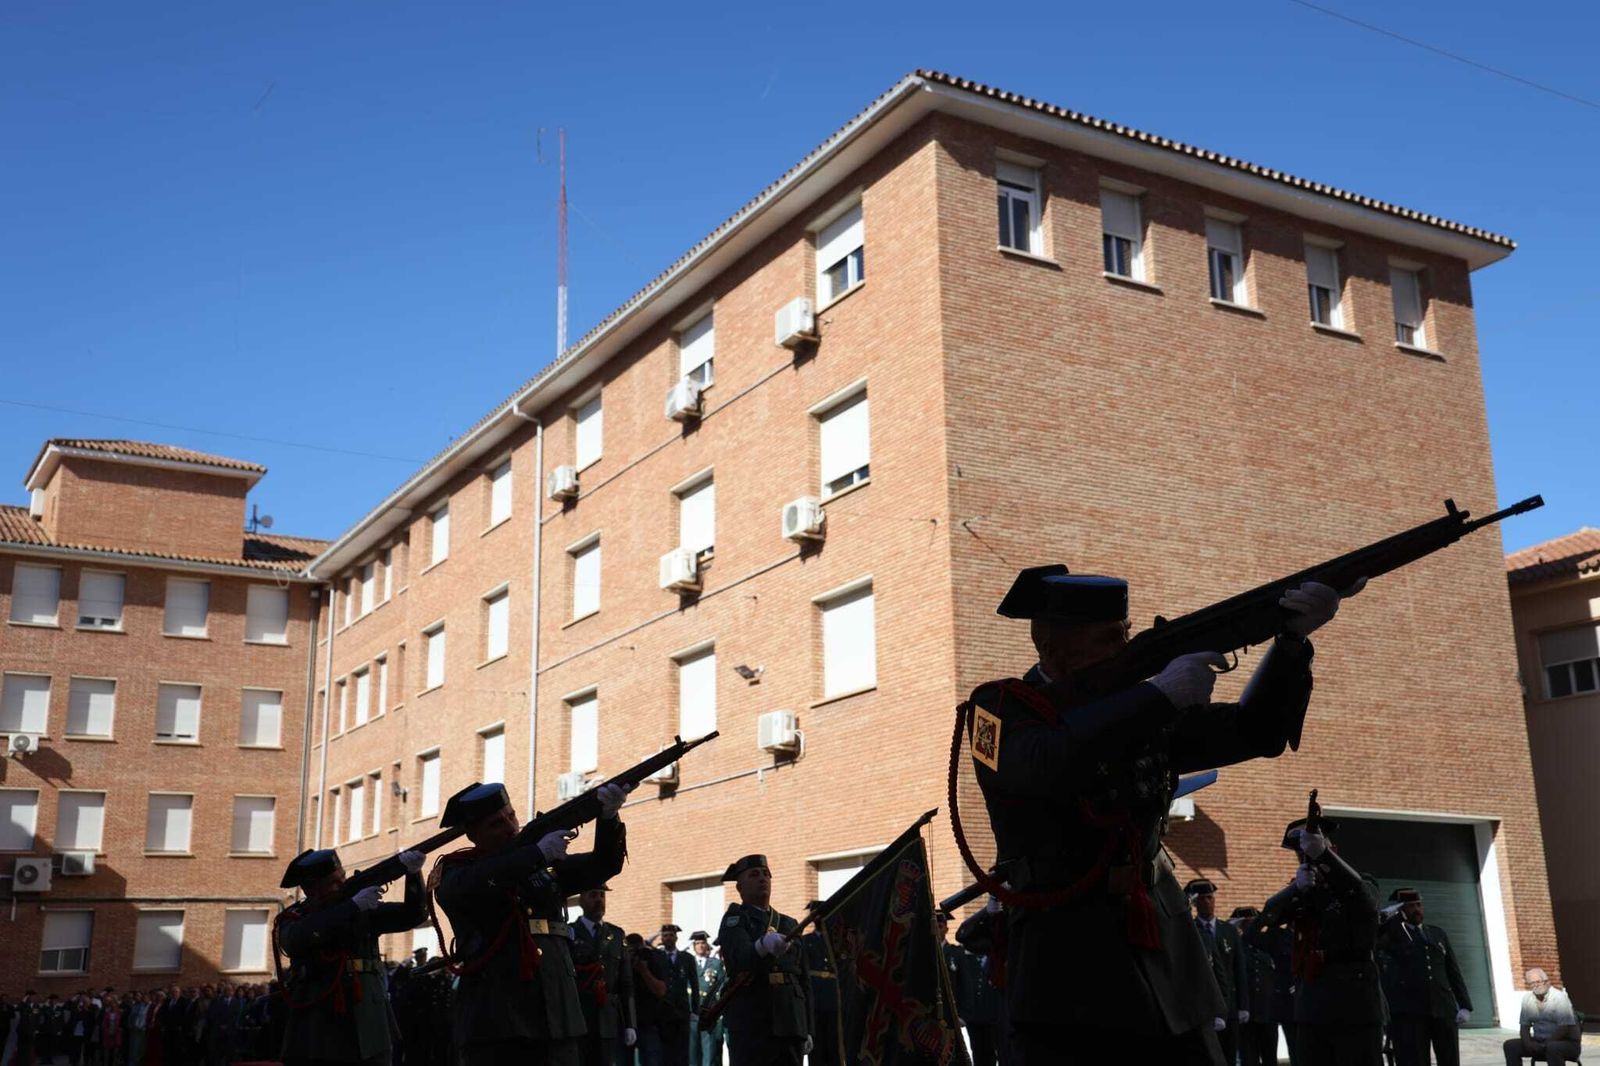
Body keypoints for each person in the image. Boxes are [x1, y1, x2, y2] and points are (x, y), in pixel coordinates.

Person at [967, 565, 1355, 1064]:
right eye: (1109, 638)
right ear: (1052, 647)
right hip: (1066, 962)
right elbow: (1040, 767)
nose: (1124, 648)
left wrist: (1290, 644)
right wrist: (1157, 696)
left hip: (1164, 952)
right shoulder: (999, 707)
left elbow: (1255, 732)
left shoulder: (1141, 710)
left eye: (1127, 634)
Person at [432, 779, 631, 1066]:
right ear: (473, 834)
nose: (511, 827)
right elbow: (476, 883)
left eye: (511, 816)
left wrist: (609, 816)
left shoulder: (538, 863)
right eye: (496, 823)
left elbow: (603, 866)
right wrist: (536, 853)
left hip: (557, 1008)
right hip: (499, 1017)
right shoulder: (456, 872)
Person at [275, 845, 427, 1066]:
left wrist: (413, 874)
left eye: (343, 877)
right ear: (311, 889)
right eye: (334, 883)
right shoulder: (295, 917)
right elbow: (296, 939)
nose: (343, 885)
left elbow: (413, 915)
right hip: (321, 1026)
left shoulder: (361, 910)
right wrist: (352, 907)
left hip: (369, 1017)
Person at [1258, 814, 1383, 1066]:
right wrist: (1294, 889)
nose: (1308, 859)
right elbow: (1269, 917)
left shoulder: (1360, 883)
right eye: (1302, 855)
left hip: (1354, 1004)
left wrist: (1324, 857)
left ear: (1333, 849)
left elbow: (1366, 904)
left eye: (1311, 851)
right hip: (1312, 1005)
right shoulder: (1304, 893)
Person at [714, 855, 812, 1066]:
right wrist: (761, 946)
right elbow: (740, 958)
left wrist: (808, 1027)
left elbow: (803, 978)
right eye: (754, 874)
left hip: (790, 1020)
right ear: (739, 887)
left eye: (766, 874)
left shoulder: (789, 923)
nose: (762, 878)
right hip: (752, 1021)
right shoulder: (735, 919)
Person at [1378, 888, 1472, 1066]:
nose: (1417, 910)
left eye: (1419, 905)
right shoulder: (1392, 935)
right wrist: (1389, 916)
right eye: (1410, 906)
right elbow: (1375, 937)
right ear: (1401, 910)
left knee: (1449, 1059)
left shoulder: (1437, 933)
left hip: (1443, 1008)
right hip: (1410, 1012)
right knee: (1415, 1060)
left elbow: (1452, 971)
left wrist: (1465, 1005)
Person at [568, 885, 637, 1066]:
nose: (599, 900)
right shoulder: (569, 932)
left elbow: (626, 982)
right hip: (579, 1015)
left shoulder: (616, 934)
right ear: (581, 900)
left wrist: (630, 1023)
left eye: (602, 895)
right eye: (593, 895)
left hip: (608, 1018)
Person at [1185, 878, 1249, 1062]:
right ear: (1195, 903)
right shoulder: (1191, 930)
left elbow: (1239, 968)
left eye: (1210, 898)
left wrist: (1244, 1005)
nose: (1208, 902)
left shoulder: (1228, 930)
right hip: (1204, 1005)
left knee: (1230, 1055)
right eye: (1202, 898)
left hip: (1230, 1004)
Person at [1229, 907, 1279, 1066]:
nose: (1251, 927)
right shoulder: (1236, 947)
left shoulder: (1268, 946)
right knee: (1249, 1059)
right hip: (1247, 1014)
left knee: (1270, 1058)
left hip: (1268, 1012)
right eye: (1247, 923)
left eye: (1253, 923)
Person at [1503, 969, 1580, 1066]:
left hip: (1565, 1042)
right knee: (1510, 1045)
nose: (1536, 985)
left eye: (1539, 982)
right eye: (1532, 983)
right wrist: (1528, 1043)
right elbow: (1524, 1027)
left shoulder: (1559, 998)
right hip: (1539, 1041)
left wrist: (1545, 1044)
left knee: (1553, 1047)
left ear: (1547, 982)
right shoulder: (1527, 999)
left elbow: (1564, 1028)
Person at [798, 914, 836, 1066]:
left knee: (834, 1044)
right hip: (815, 996)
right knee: (817, 1047)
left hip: (833, 997)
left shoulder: (835, 942)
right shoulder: (806, 941)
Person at [689, 933, 725, 1066]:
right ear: (694, 946)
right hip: (692, 1011)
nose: (700, 946)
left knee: (709, 1050)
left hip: (709, 1012)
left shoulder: (715, 964)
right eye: (697, 943)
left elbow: (721, 986)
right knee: (692, 1051)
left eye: (703, 943)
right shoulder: (689, 962)